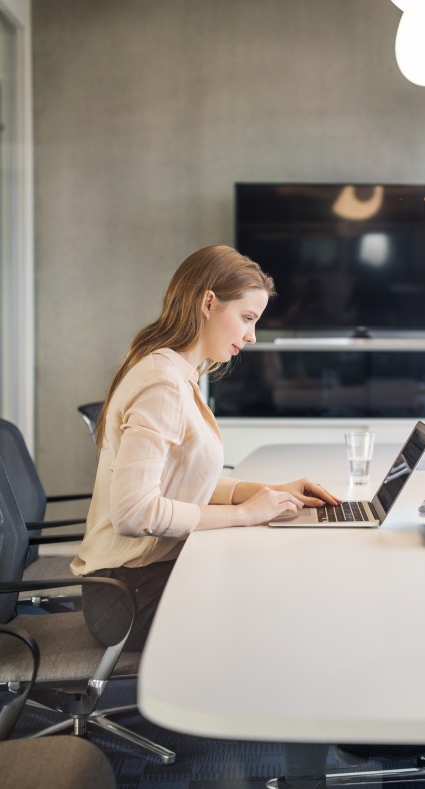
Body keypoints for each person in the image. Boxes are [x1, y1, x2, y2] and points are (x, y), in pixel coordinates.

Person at [72, 245, 340, 649]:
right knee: (284, 595)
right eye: (247, 319)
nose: (251, 337)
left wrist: (268, 493)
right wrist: (246, 514)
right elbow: (134, 512)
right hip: (127, 595)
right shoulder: (162, 382)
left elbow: (178, 480)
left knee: (280, 577)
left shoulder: (177, 373)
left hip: (143, 576)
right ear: (209, 302)